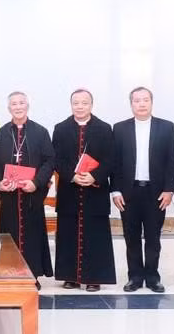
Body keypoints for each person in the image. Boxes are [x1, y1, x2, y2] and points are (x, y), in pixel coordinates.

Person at [111, 87, 174, 293]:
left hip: (155, 192)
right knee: (131, 236)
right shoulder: (120, 128)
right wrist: (115, 191)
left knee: (153, 236)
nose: (141, 104)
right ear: (131, 104)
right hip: (129, 192)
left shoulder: (166, 127)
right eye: (137, 100)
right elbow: (115, 163)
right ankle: (135, 277)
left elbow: (171, 161)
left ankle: (152, 277)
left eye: (145, 100)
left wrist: (169, 190)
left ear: (151, 102)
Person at [0, 91, 55, 290]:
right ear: (9, 108)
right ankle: (9, 275)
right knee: (9, 236)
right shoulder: (0, 134)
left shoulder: (40, 132)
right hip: (9, 198)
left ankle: (32, 275)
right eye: (14, 104)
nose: (18, 107)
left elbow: (49, 160)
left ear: (28, 106)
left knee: (32, 236)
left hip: (31, 197)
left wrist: (36, 182)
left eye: (21, 103)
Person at [52, 89, 116, 292]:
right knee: (68, 234)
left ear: (91, 105)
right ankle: (69, 276)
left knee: (95, 235)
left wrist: (94, 176)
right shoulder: (60, 129)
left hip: (95, 192)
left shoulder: (104, 128)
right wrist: (72, 175)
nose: (80, 106)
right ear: (71, 105)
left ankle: (94, 277)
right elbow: (56, 158)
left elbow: (111, 159)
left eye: (84, 103)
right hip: (70, 191)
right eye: (76, 103)